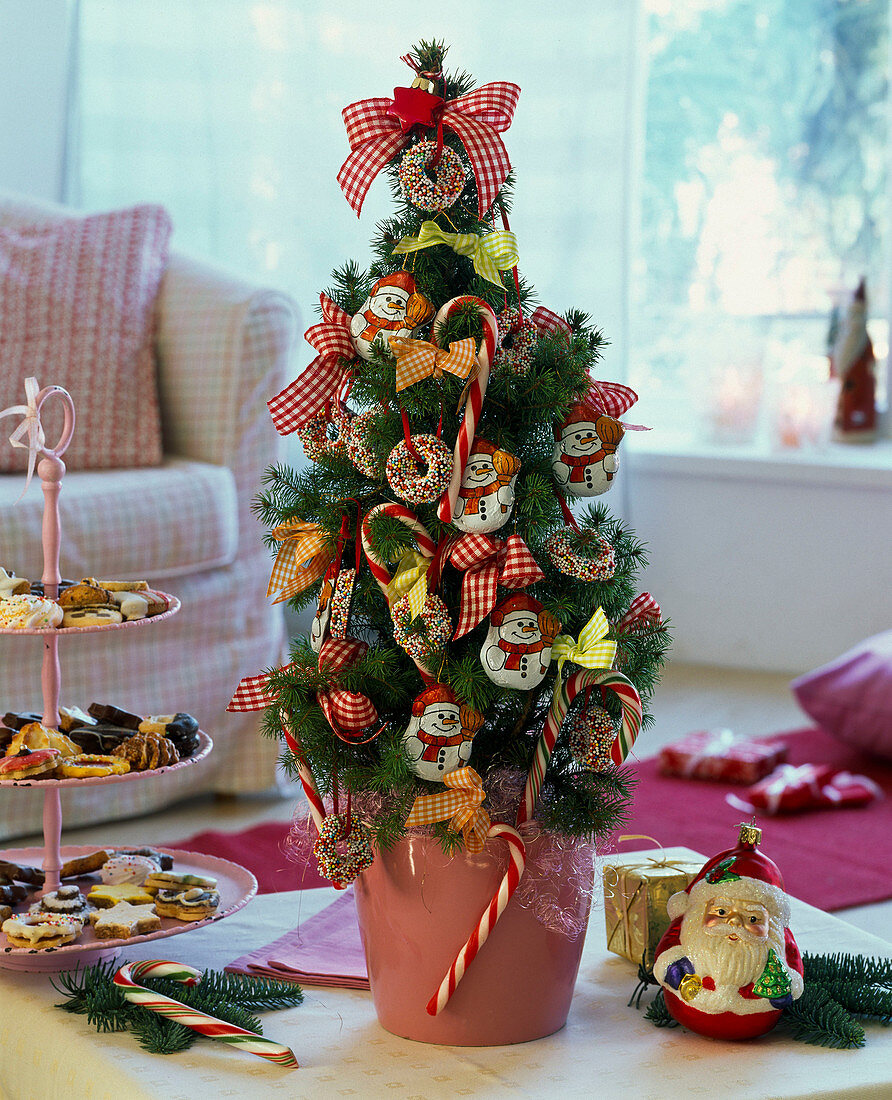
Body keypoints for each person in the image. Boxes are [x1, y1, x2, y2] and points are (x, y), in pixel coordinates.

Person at [653, 822, 804, 1040]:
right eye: (722, 911)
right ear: (700, 911)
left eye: (752, 918)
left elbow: (793, 966)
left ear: (770, 923)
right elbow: (667, 952)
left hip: (756, 1023)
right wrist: (676, 973)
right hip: (688, 1010)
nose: (734, 923)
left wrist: (784, 990)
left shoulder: (777, 939)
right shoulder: (689, 927)